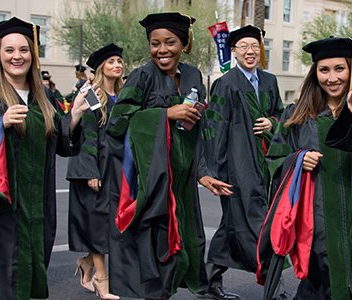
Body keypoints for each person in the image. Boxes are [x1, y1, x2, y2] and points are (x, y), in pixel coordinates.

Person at [0, 17, 87, 299]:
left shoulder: (42, 95)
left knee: (29, 270)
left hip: (37, 204)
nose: (17, 56)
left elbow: (57, 140)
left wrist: (74, 116)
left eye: (24, 50)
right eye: (9, 50)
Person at [262, 37, 352, 300]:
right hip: (313, 220)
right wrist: (297, 160)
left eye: (340, 69)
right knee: (321, 281)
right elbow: (274, 160)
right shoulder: (297, 116)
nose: (332, 77)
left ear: (351, 70)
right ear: (315, 74)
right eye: (324, 70)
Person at [106, 12, 219, 299]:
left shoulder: (193, 76)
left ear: (184, 44)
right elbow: (117, 122)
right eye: (155, 44)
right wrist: (166, 114)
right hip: (152, 179)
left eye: (170, 42)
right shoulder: (142, 75)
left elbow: (199, 130)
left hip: (181, 180)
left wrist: (203, 172)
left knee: (185, 240)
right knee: (156, 241)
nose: (162, 50)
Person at [200, 24, 283, 300]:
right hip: (238, 167)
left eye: (254, 46)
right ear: (233, 52)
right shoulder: (226, 83)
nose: (250, 51)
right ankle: (275, 286)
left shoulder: (270, 81)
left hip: (266, 164)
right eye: (243, 47)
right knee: (262, 224)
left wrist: (271, 122)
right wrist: (213, 171)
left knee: (230, 225)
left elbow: (281, 115)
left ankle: (210, 279)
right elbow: (215, 129)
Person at [67, 43, 124, 300]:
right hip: (97, 167)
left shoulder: (122, 95)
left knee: (115, 224)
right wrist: (91, 170)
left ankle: (87, 263)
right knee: (99, 223)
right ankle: (102, 279)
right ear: (102, 67)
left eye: (119, 61)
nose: (117, 65)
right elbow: (88, 133)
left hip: (117, 167)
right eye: (111, 61)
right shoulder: (92, 94)